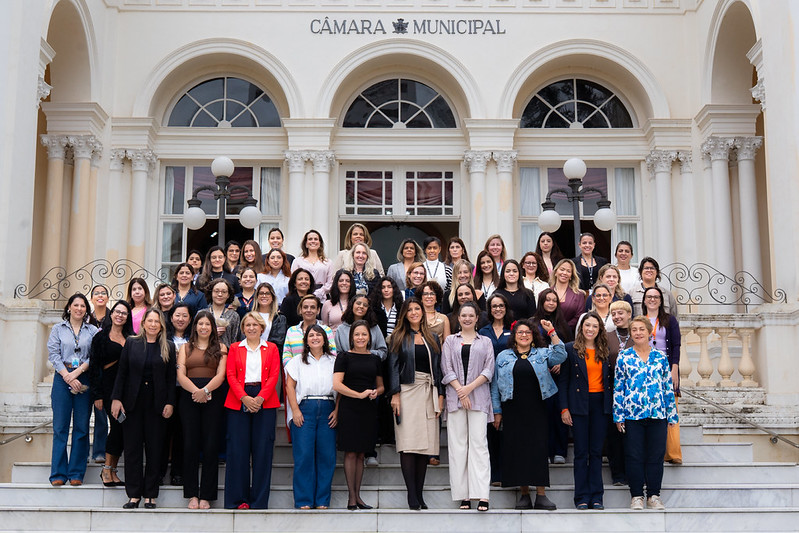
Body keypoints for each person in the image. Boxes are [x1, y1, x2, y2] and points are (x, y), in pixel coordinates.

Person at [490, 318, 565, 510]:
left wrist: (552, 332)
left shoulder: (542, 353)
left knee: (538, 449)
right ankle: (524, 495)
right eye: (520, 332)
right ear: (514, 336)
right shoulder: (503, 356)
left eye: (528, 332)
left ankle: (541, 495)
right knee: (518, 450)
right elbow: (495, 386)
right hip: (512, 409)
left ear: (533, 337)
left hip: (537, 408)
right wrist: (497, 411)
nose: (524, 335)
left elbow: (561, 355)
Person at [111, 308, 177, 509]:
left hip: (157, 404)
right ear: (144, 323)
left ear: (161, 325)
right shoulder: (132, 343)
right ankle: (134, 495)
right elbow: (122, 372)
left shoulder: (169, 346)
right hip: (132, 403)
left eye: (157, 321)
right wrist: (116, 398)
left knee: (155, 449)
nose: (153, 324)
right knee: (132, 449)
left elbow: (170, 378)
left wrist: (170, 403)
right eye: (150, 320)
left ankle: (150, 494)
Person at [613, 316, 678, 511]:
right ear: (631, 334)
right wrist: (618, 415)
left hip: (658, 414)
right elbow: (619, 387)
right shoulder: (624, 357)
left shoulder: (660, 357)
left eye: (642, 329)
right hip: (632, 415)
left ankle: (653, 495)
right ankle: (636, 496)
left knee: (656, 456)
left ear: (650, 332)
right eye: (634, 330)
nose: (638, 333)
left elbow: (667, 386)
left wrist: (671, 414)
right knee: (634, 455)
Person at [387, 298, 444, 510]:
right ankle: (411, 495)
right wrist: (395, 394)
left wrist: (441, 394)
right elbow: (392, 367)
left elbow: (438, 368)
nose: (413, 312)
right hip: (407, 391)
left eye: (417, 309)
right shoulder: (398, 336)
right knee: (409, 445)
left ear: (423, 311)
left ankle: (420, 495)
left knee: (425, 446)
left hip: (429, 391)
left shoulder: (432, 337)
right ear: (404, 314)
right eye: (409, 310)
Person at [223, 312, 281, 509]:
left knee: (263, 451)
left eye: (255, 325)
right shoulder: (234, 348)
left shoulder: (271, 348)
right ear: (243, 328)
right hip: (239, 398)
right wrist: (245, 398)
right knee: (237, 451)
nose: (251, 328)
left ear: (262, 328)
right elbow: (230, 374)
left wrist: (260, 398)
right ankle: (238, 500)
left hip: (265, 398)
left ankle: (258, 501)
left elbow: (274, 375)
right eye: (247, 325)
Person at [441, 302, 494, 512]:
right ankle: (464, 495)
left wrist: (468, 389)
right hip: (455, 399)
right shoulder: (450, 341)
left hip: (479, 398)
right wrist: (460, 390)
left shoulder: (486, 342)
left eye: (471, 315)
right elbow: (446, 367)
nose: (467, 319)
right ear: (459, 318)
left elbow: (489, 369)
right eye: (464, 315)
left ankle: (481, 495)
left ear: (477, 318)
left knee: (479, 446)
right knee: (458, 447)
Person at [559, 313, 613, 510]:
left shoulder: (604, 350)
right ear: (581, 327)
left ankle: (597, 496)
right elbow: (564, 381)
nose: (590, 329)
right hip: (579, 404)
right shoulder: (570, 349)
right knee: (581, 452)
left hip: (600, 404)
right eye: (587, 325)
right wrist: (564, 408)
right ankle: (581, 496)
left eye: (594, 326)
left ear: (600, 330)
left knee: (596, 452)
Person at [177, 310, 228, 509]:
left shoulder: (221, 347)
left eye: (208, 324)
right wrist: (196, 392)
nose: (204, 327)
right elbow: (181, 375)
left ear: (212, 328)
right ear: (195, 326)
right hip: (188, 396)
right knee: (189, 445)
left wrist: (205, 391)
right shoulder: (185, 347)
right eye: (201, 324)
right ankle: (191, 494)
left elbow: (221, 375)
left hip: (213, 396)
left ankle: (206, 495)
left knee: (210, 446)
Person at [48, 293, 99, 486]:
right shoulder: (57, 329)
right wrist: (67, 375)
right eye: (76, 305)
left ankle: (76, 472)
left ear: (86, 309)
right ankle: (58, 474)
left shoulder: (93, 330)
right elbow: (53, 354)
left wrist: (76, 374)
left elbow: (94, 356)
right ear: (69, 307)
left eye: (83, 306)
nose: (79, 309)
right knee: (60, 427)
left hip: (83, 375)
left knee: (81, 427)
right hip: (62, 377)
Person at [285, 325, 339, 510]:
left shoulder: (334, 361)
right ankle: (304, 500)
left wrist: (337, 411)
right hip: (304, 408)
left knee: (327, 456)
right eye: (311, 335)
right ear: (306, 340)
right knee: (304, 455)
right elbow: (289, 387)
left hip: (328, 408)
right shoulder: (297, 361)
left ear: (325, 339)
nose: (315, 338)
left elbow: (340, 388)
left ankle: (322, 500)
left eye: (318, 335)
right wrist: (295, 410)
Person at [333, 321, 384, 510]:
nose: (361, 338)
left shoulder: (375, 359)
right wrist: (358, 395)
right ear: (351, 337)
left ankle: (358, 495)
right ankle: (351, 497)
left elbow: (381, 385)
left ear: (369, 337)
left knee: (361, 453)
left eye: (364, 334)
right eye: (357, 335)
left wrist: (375, 392)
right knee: (351, 452)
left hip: (368, 409)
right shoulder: (344, 357)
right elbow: (337, 384)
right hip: (349, 407)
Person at [89, 300, 133, 487]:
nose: (120, 315)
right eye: (117, 311)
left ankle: (113, 471)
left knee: (123, 428)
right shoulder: (100, 337)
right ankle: (107, 470)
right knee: (116, 427)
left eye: (124, 313)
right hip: (107, 389)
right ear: (112, 313)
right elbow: (94, 367)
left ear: (127, 317)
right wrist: (97, 395)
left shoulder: (132, 337)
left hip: (127, 389)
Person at [642, 286, 683, 464]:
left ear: (661, 300)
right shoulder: (639, 320)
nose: (652, 299)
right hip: (644, 370)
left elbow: (676, 345)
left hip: (666, 370)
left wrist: (675, 368)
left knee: (671, 409)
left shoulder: (669, 320)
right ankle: (651, 451)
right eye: (649, 296)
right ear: (644, 300)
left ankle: (673, 453)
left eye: (656, 297)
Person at [533, 287, 573, 465]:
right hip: (539, 375)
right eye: (547, 300)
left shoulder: (563, 324)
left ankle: (559, 451)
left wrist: (559, 362)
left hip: (559, 374)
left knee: (559, 411)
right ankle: (545, 450)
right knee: (543, 414)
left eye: (554, 300)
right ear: (541, 302)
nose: (550, 303)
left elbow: (569, 348)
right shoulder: (532, 323)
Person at [478, 293, 513, 486]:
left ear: (506, 308)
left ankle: (508, 471)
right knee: (492, 430)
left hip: (510, 385)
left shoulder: (513, 329)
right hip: (487, 384)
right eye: (494, 306)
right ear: (489, 310)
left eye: (501, 306)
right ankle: (495, 474)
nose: (498, 309)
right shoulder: (483, 331)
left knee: (508, 432)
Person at [606, 300, 634, 486]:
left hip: (634, 390)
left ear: (629, 314)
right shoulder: (606, 336)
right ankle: (618, 474)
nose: (617, 317)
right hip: (611, 388)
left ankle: (633, 472)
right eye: (614, 314)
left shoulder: (639, 334)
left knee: (633, 434)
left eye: (620, 313)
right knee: (614, 433)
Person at [88, 284, 110, 463]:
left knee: (102, 415)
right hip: (85, 370)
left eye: (103, 293)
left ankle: (100, 452)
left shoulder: (113, 318)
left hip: (105, 371)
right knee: (84, 416)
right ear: (92, 298)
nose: (100, 296)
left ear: (108, 298)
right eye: (97, 293)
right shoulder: (86, 318)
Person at [282, 295, 336, 368]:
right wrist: (293, 371)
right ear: (300, 310)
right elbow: (287, 354)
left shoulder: (326, 330)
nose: (309, 310)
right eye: (305, 307)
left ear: (318, 310)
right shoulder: (291, 331)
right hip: (296, 374)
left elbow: (332, 353)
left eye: (313, 307)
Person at [334, 295, 387, 360]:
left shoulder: (374, 327)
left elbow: (383, 352)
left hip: (370, 366)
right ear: (352, 305)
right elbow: (338, 353)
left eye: (365, 305)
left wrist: (366, 353)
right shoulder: (341, 329)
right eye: (358, 303)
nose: (361, 306)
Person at [291, 229, 334, 301]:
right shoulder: (297, 261)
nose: (313, 241)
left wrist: (319, 292)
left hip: (322, 298)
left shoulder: (328, 262)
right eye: (310, 239)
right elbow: (293, 280)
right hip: (301, 297)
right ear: (306, 243)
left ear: (320, 243)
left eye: (316, 239)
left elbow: (330, 282)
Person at [550, 259, 586, 330]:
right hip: (547, 334)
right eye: (562, 269)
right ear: (555, 272)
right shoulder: (545, 293)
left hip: (570, 335)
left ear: (571, 276)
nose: (564, 273)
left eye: (568, 271)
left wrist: (563, 329)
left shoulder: (579, 295)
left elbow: (579, 316)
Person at [205, 278, 241, 349]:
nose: (220, 294)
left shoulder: (234, 315)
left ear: (228, 295)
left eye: (224, 292)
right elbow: (196, 337)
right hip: (204, 354)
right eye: (216, 291)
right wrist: (212, 333)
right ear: (211, 292)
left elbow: (235, 340)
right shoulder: (202, 313)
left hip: (227, 354)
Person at [253, 282, 288, 354]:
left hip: (270, 355)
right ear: (257, 297)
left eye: (267, 293)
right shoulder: (250, 316)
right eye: (261, 293)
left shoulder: (280, 318)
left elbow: (278, 342)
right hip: (252, 354)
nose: (264, 296)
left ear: (272, 297)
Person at [321, 269, 355, 335]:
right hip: (333, 341)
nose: (344, 283)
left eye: (347, 281)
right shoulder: (328, 304)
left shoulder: (356, 303)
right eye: (341, 281)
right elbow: (325, 327)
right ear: (336, 283)